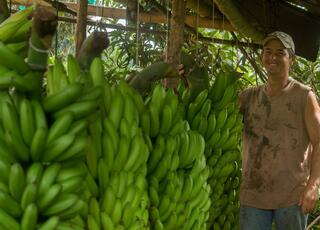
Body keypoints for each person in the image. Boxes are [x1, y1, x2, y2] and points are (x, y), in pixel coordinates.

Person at [238, 31, 320, 229]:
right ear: (262, 56)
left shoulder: (303, 96)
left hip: (292, 196)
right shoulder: (248, 97)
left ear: (291, 59)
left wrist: (313, 186)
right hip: (253, 195)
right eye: (268, 52)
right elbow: (212, 112)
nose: (272, 57)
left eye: (280, 53)